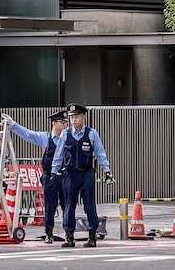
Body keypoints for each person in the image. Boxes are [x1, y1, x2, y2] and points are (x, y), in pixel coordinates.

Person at [50, 103, 115, 248]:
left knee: (89, 205)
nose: (73, 120)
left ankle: (92, 236)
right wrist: (54, 171)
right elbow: (59, 154)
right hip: (70, 173)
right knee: (69, 205)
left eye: (76, 116)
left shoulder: (91, 133)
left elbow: (100, 153)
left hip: (86, 173)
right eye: (71, 117)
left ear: (83, 117)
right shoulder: (65, 134)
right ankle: (69, 237)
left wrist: (107, 170)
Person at [2, 109, 68, 244]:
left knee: (68, 205)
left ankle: (69, 232)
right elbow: (28, 135)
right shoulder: (46, 138)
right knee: (50, 206)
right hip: (50, 177)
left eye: (66, 123)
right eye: (62, 122)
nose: (65, 125)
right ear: (54, 123)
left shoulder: (69, 138)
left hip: (66, 176)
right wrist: (13, 124)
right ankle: (48, 233)